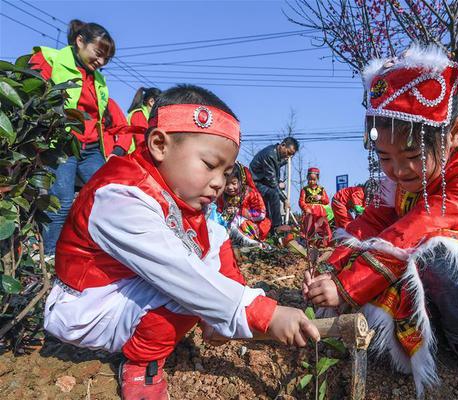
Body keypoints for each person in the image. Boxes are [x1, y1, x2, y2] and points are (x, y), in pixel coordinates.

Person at [43, 85, 320, 400]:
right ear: (160, 145)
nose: (219, 182)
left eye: (226, 172)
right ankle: (142, 363)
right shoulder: (120, 196)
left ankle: (191, 324)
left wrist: (225, 315)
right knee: (185, 292)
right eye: (209, 164)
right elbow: (180, 273)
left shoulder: (186, 205)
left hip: (126, 294)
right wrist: (263, 314)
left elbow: (218, 256)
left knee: (212, 242)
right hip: (89, 310)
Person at [303, 44, 458, 396]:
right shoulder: (403, 173)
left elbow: (411, 230)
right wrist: (332, 266)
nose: (399, 170)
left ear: (454, 131)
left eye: (412, 156)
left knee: (438, 253)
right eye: (385, 158)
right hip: (413, 254)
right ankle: (432, 319)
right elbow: (376, 219)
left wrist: (347, 285)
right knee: (393, 251)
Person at [29, 19, 116, 255]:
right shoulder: (50, 60)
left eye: (106, 60)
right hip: (63, 143)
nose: (100, 62)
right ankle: (47, 256)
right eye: (98, 54)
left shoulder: (98, 79)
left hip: (90, 147)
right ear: (80, 41)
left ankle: (87, 251)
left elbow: (100, 117)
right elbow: (31, 94)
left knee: (107, 195)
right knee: (63, 201)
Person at [249, 137, 299, 233]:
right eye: (288, 153)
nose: (288, 157)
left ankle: (271, 229)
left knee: (278, 188)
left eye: (291, 155)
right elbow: (272, 182)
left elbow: (277, 166)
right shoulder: (270, 155)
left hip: (264, 180)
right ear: (283, 145)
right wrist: (284, 199)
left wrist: (286, 161)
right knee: (273, 194)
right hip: (256, 182)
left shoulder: (277, 154)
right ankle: (277, 227)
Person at [217, 162, 272, 247]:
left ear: (241, 180)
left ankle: (247, 241)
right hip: (230, 224)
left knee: (237, 219)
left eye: (234, 183)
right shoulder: (223, 197)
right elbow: (219, 211)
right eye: (226, 184)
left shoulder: (250, 193)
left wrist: (239, 211)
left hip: (251, 226)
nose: (230, 187)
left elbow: (261, 214)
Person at [299, 167, 332, 247]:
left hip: (320, 212)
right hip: (309, 211)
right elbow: (301, 201)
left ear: (317, 179)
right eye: (310, 179)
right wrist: (305, 208)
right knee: (309, 227)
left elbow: (327, 201)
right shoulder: (304, 189)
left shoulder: (321, 189)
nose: (311, 181)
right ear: (307, 178)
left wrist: (321, 198)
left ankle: (326, 243)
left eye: (314, 179)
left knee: (323, 227)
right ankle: (308, 244)